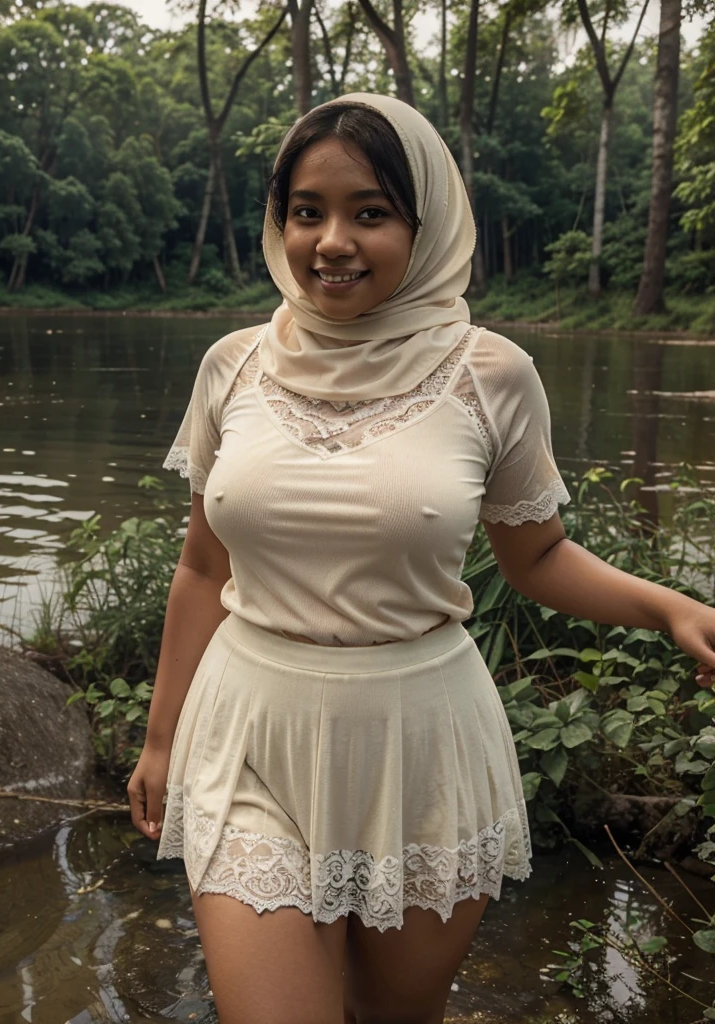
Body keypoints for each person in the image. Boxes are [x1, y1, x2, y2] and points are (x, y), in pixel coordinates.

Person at [126, 93, 715, 1024]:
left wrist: (672, 608)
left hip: (422, 745)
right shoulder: (231, 366)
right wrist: (160, 739)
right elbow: (204, 567)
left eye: (370, 212)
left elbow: (538, 556)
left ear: (426, 222)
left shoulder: (492, 374)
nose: (330, 241)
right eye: (306, 212)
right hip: (250, 736)